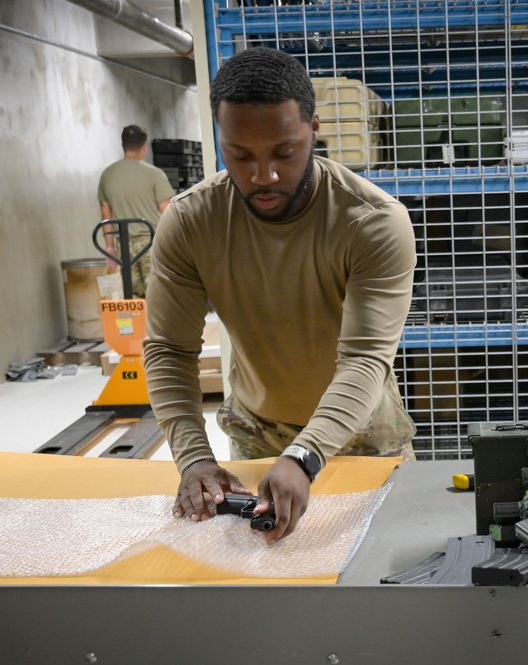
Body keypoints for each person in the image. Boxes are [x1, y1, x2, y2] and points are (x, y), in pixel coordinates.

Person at [143, 47, 418, 544]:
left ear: (314, 129)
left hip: (363, 433)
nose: (263, 176)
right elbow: (168, 350)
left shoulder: (373, 222)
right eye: (240, 156)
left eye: (284, 152)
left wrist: (304, 455)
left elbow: (363, 359)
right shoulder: (190, 222)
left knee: (383, 579)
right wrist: (195, 459)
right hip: (255, 430)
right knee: (267, 582)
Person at [97, 125, 175, 299]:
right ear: (144, 147)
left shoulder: (108, 174)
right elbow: (168, 212)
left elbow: (105, 214)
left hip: (122, 244)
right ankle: (154, 327)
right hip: (151, 243)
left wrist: (109, 247)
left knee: (130, 295)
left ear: (123, 145)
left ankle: (135, 326)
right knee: (157, 294)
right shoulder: (154, 174)